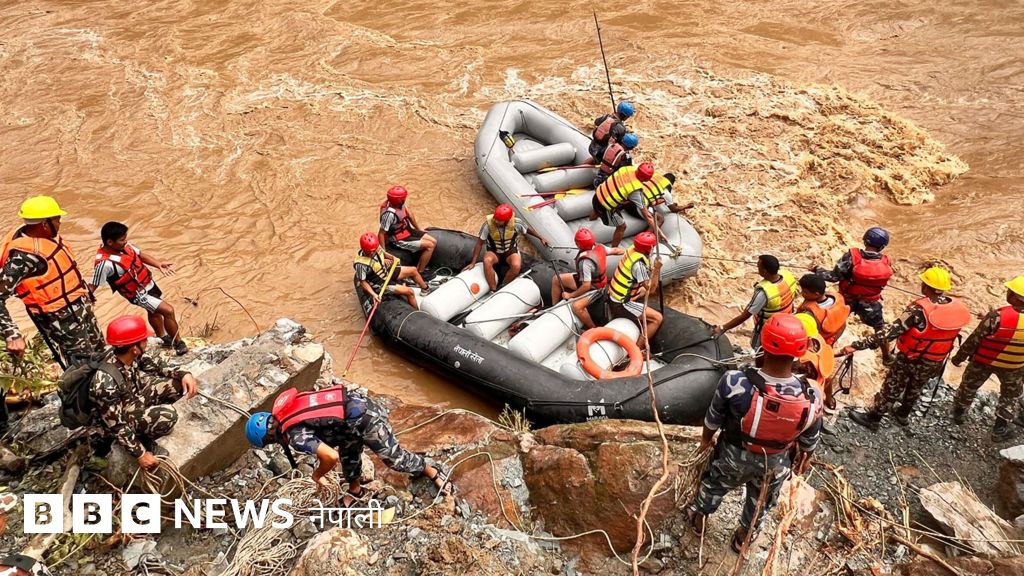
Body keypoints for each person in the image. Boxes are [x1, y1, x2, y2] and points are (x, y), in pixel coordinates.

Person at [687, 314, 823, 552]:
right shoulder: (812, 394)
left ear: (763, 343)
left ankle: (698, 520)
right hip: (777, 461)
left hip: (734, 454)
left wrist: (705, 443)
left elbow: (713, 418)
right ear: (800, 351)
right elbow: (809, 439)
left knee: (714, 485)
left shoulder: (735, 381)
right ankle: (743, 539)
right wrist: (806, 459)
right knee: (761, 503)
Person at [245, 384, 450, 506]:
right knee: (348, 453)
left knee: (395, 459)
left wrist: (317, 475)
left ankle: (432, 470)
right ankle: (355, 490)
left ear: (268, 439)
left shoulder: (295, 434)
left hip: (366, 418)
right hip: (349, 418)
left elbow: (329, 457)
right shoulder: (285, 410)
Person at [844, 267, 971, 430]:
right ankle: (903, 414)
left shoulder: (919, 310)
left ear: (926, 287)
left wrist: (856, 345)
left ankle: (873, 418)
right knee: (916, 386)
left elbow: (888, 333)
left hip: (911, 358)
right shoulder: (957, 308)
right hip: (935, 360)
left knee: (893, 386)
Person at [0, 196, 104, 367]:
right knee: (84, 367)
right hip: (62, 323)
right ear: (44, 224)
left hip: (80, 309)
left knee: (101, 353)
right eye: (57, 219)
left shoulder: (45, 237)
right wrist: (12, 335)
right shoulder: (22, 258)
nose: (60, 223)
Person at [89, 315, 199, 471]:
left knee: (177, 386)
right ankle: (144, 439)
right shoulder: (105, 384)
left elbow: (158, 366)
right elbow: (116, 426)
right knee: (168, 416)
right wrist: (140, 453)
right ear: (134, 347)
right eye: (144, 340)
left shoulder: (129, 354)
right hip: (116, 420)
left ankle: (145, 423)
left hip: (133, 399)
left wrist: (183, 374)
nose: (147, 342)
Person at [90, 222, 188, 356]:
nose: (126, 241)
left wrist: (158, 264)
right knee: (168, 311)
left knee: (154, 311)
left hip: (148, 283)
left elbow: (141, 255)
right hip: (137, 294)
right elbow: (93, 284)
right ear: (110, 242)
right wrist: (86, 298)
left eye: (125, 238)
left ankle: (162, 337)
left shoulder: (127, 247)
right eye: (122, 240)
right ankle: (178, 342)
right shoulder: (104, 264)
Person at [950, 275, 1024, 441]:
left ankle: (959, 414)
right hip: (1014, 366)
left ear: (1014, 297)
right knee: (1009, 396)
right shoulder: (995, 316)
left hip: (984, 361)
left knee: (968, 387)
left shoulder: (996, 317)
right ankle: (1000, 429)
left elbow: (974, 340)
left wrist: (958, 358)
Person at [811, 227, 894, 362]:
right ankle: (887, 356)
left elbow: (833, 277)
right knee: (880, 328)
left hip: (847, 298)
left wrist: (816, 269)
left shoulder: (852, 256)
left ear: (864, 240)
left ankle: (823, 350)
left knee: (835, 323)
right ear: (883, 246)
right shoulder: (886, 261)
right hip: (870, 303)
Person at [713, 255, 798, 350]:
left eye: (758, 267)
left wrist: (722, 328)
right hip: (787, 325)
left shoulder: (763, 293)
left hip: (768, 330)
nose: (757, 269)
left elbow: (745, 316)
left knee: (759, 350)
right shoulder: (788, 276)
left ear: (765, 272)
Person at [550, 228, 624, 329]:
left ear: (579, 244)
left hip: (595, 289)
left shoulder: (585, 262)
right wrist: (626, 252)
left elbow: (586, 286)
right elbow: (615, 250)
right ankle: (554, 307)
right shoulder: (600, 247)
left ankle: (592, 328)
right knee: (556, 279)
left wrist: (570, 295)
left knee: (577, 307)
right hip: (590, 279)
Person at [464, 204, 549, 292]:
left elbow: (527, 230)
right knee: (486, 261)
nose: (496, 221)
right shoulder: (487, 225)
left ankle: (503, 286)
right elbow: (479, 244)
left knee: (516, 266)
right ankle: (493, 289)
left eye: (499, 220)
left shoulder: (517, 223)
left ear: (507, 220)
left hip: (510, 250)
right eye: (495, 218)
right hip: (494, 251)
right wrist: (473, 262)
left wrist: (540, 238)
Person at [607, 231, 662, 349]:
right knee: (657, 318)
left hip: (616, 292)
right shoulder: (639, 265)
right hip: (621, 302)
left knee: (641, 290)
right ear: (649, 249)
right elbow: (651, 290)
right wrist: (657, 270)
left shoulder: (632, 249)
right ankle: (638, 348)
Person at [355, 233, 427, 310]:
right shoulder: (361, 264)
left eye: (374, 250)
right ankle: (417, 313)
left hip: (386, 271)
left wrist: (393, 258)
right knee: (410, 292)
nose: (373, 253)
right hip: (380, 284)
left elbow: (383, 253)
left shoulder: (375, 247)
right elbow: (363, 282)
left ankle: (425, 289)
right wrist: (374, 295)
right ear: (364, 249)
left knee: (413, 270)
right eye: (370, 252)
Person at [377, 185, 437, 274]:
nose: (405, 199)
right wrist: (384, 253)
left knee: (434, 241)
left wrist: (418, 229)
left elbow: (409, 215)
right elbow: (381, 233)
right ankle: (420, 272)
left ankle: (420, 266)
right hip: (398, 239)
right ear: (399, 200)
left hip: (407, 230)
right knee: (430, 246)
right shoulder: (389, 215)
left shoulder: (399, 203)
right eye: (404, 197)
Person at [796, 273, 850, 346]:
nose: (802, 293)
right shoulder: (837, 297)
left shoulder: (809, 314)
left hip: (820, 342)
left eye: (805, 292)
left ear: (816, 294)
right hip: (835, 335)